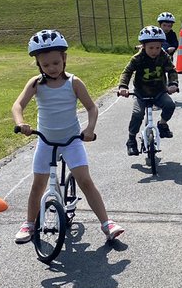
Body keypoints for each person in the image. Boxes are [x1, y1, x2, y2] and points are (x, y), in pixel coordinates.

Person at [12, 29, 124, 244]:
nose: (51, 68)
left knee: (85, 181)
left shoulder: (74, 82)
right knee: (38, 184)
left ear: (64, 59)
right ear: (38, 65)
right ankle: (29, 223)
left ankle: (106, 224)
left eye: (56, 63)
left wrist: (89, 129)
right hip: (45, 141)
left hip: (72, 140)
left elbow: (91, 108)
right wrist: (20, 123)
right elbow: (18, 105)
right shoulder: (36, 83)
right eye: (46, 65)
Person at [118, 26, 179, 155]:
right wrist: (123, 86)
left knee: (170, 105)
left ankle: (162, 124)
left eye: (157, 47)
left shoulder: (164, 56)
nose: (154, 51)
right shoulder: (137, 58)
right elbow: (127, 72)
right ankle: (131, 139)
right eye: (151, 48)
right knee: (137, 114)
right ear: (143, 46)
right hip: (141, 93)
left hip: (159, 91)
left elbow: (171, 70)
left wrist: (173, 84)